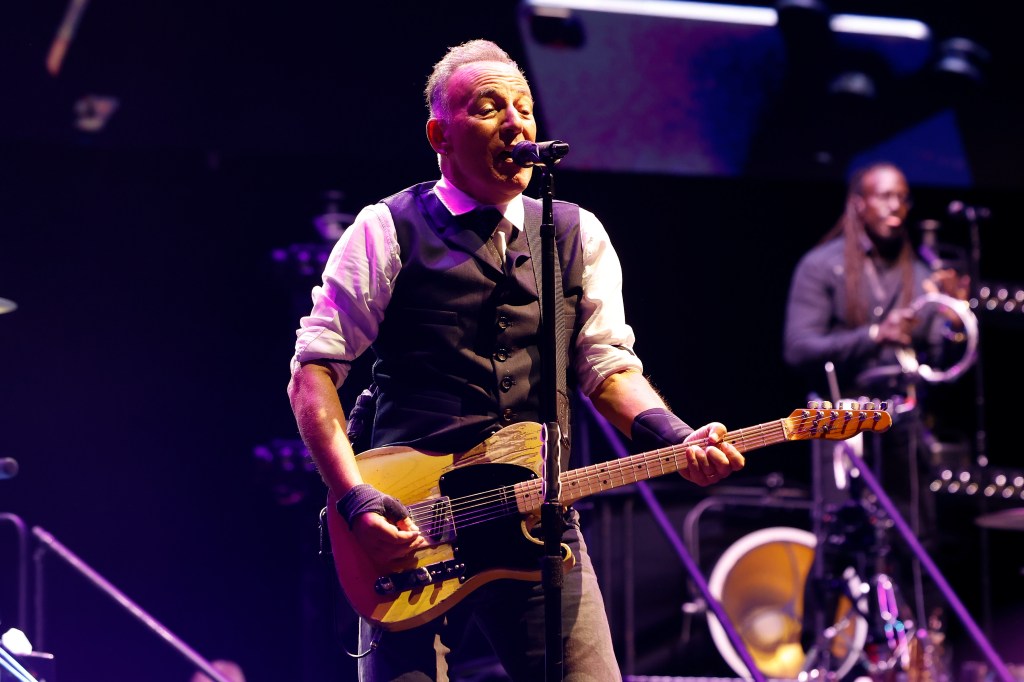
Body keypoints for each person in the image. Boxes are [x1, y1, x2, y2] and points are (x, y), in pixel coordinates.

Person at [287, 39, 746, 682]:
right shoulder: (386, 228)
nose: (515, 122)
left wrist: (676, 437)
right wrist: (356, 499)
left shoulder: (573, 232)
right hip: (414, 524)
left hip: (536, 516)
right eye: (488, 107)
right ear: (439, 135)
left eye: (524, 107)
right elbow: (314, 373)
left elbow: (608, 368)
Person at [782, 161, 968, 674]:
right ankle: (819, 654)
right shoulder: (823, 266)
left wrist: (950, 318)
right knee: (840, 539)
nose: (895, 207)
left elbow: (937, 358)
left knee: (916, 540)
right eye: (883, 197)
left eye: (902, 198)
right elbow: (798, 347)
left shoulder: (923, 270)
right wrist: (874, 336)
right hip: (841, 427)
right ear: (859, 203)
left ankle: (923, 656)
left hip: (901, 424)